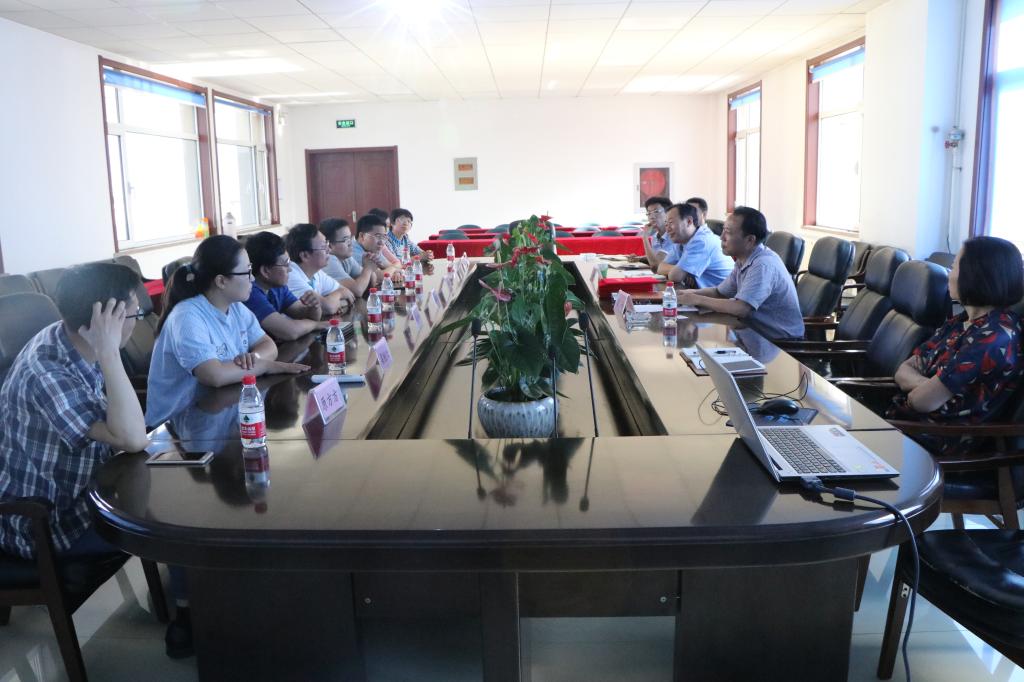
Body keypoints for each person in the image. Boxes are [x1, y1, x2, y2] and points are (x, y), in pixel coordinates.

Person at [0, 263, 148, 561]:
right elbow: (133, 439)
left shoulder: (75, 340)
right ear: (104, 319)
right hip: (49, 524)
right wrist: (109, 352)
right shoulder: (46, 372)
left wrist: (106, 351)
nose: (137, 323)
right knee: (168, 523)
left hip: (91, 490)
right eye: (134, 314)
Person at [147, 235, 309, 426]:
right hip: (176, 426)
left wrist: (254, 358)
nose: (252, 279)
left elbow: (268, 346)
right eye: (247, 272)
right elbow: (214, 375)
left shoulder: (236, 307)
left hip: (219, 411)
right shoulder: (187, 316)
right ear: (221, 281)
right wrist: (265, 366)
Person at [888, 236, 1024, 450]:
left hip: (934, 441)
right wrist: (930, 385)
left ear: (975, 275)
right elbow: (904, 369)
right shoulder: (961, 322)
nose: (949, 275)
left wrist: (925, 389)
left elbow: (921, 402)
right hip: (906, 425)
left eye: (953, 268)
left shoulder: (993, 337)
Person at [678, 206, 804, 340]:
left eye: (728, 232)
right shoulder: (743, 258)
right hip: (751, 332)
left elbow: (741, 309)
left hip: (779, 342)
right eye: (723, 230)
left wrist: (697, 299)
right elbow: (720, 292)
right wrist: (688, 294)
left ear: (750, 240)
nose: (722, 237)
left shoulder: (763, 264)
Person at [244, 231, 332, 340]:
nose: (290, 269)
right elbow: (290, 331)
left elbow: (303, 314)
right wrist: (315, 325)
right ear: (266, 271)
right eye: (285, 264)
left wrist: (314, 306)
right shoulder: (251, 294)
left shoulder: (277, 287)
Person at [657, 203, 733, 289]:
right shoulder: (681, 240)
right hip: (702, 292)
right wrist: (682, 270)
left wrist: (680, 270)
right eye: (666, 224)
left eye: (671, 223)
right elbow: (660, 268)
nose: (667, 229)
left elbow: (675, 276)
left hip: (721, 295)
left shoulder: (702, 242)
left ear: (689, 221)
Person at [284, 222, 354, 314]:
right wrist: (338, 297)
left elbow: (348, 294)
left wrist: (335, 300)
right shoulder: (290, 275)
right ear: (305, 255)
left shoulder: (317, 273)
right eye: (323, 247)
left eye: (327, 244)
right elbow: (328, 308)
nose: (329, 250)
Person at [320, 217, 379, 296]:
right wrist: (368, 268)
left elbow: (372, 280)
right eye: (345, 240)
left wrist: (369, 268)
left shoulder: (346, 258)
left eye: (350, 237)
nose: (351, 243)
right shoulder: (329, 261)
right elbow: (358, 291)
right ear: (330, 246)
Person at [637, 196, 673, 267]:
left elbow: (656, 264)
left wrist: (645, 238)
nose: (652, 217)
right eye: (649, 213)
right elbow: (655, 258)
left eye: (656, 212)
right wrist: (638, 258)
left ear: (668, 213)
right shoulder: (655, 237)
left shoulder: (673, 235)